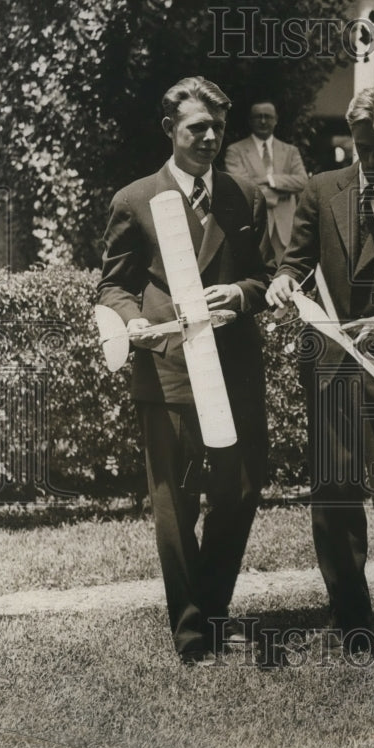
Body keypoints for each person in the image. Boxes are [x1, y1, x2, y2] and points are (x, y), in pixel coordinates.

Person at [97, 76, 271, 666]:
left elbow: (269, 277)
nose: (209, 137)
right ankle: (193, 632)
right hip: (168, 366)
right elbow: (113, 285)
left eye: (218, 127)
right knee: (173, 497)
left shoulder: (244, 196)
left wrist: (243, 295)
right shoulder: (135, 199)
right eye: (198, 126)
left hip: (233, 365)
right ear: (169, 129)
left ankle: (213, 610)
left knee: (241, 487)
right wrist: (131, 321)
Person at [265, 87, 374, 661]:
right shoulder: (321, 188)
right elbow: (298, 258)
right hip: (333, 367)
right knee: (334, 495)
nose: (373, 160)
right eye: (363, 148)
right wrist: (285, 279)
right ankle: (351, 621)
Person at [224, 97, 308, 264]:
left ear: (276, 120)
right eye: (258, 116)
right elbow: (241, 186)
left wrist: (270, 179)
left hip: (285, 229)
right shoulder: (235, 151)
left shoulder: (290, 151)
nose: (263, 121)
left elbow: (303, 181)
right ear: (250, 120)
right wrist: (277, 195)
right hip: (252, 225)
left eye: (268, 117)